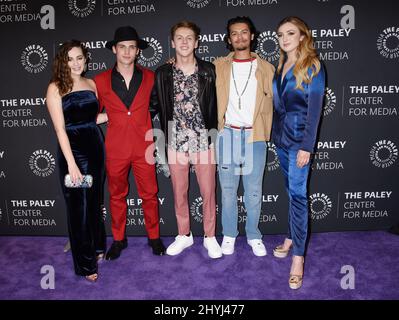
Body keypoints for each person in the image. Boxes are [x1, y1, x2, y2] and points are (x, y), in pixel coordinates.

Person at [151, 21, 222, 258]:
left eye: (189, 37)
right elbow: (152, 105)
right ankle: (184, 235)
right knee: (179, 192)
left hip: (204, 140)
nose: (184, 42)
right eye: (179, 38)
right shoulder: (162, 73)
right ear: (172, 43)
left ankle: (210, 237)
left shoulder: (208, 70)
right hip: (175, 141)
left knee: (208, 192)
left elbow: (217, 102)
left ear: (197, 42)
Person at [94, 26, 166, 260]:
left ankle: (154, 237)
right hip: (115, 148)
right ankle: (118, 239)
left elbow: (158, 105)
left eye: (131, 47)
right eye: (122, 47)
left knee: (150, 194)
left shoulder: (150, 76)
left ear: (137, 51)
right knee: (116, 196)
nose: (127, 52)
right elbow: (93, 114)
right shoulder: (100, 80)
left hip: (143, 146)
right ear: (114, 49)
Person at [271, 16, 326, 290]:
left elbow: (315, 111)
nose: (284, 38)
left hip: (299, 143)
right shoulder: (282, 64)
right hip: (280, 139)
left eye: (290, 33)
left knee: (298, 196)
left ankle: (298, 258)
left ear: (303, 36)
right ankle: (292, 236)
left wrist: (307, 146)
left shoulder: (313, 66)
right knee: (291, 192)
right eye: (280, 34)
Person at [46, 40, 107, 282]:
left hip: (95, 147)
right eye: (70, 59)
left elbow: (94, 118)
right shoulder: (55, 87)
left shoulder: (91, 84)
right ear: (63, 61)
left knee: (94, 201)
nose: (76, 63)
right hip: (73, 152)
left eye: (79, 57)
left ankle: (97, 247)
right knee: (78, 207)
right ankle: (85, 265)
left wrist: (121, 113)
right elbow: (60, 129)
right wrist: (71, 163)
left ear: (86, 58)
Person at [214, 17, 275, 257]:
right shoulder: (218, 65)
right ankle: (229, 234)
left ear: (252, 36)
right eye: (234, 33)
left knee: (253, 190)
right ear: (229, 39)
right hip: (227, 133)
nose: (240, 37)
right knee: (228, 189)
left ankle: (254, 234)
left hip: (255, 135)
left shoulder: (267, 68)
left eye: (244, 32)